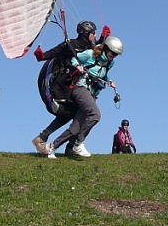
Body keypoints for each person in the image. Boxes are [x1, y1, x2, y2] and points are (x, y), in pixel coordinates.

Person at [32, 21, 109, 157]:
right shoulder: (70, 44)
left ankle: (54, 141)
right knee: (73, 114)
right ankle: (51, 140)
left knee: (77, 115)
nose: (95, 35)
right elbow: (54, 52)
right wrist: (42, 56)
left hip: (79, 84)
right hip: (65, 84)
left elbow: (98, 49)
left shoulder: (90, 46)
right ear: (86, 34)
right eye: (93, 33)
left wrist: (104, 37)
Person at [46, 35, 123, 159]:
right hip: (80, 88)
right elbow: (74, 59)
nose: (114, 56)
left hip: (92, 93)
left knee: (76, 127)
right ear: (106, 48)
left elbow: (102, 75)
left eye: (116, 55)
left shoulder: (109, 63)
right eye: (113, 53)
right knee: (95, 115)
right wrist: (78, 66)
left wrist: (109, 81)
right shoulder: (90, 54)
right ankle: (78, 143)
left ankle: (52, 146)